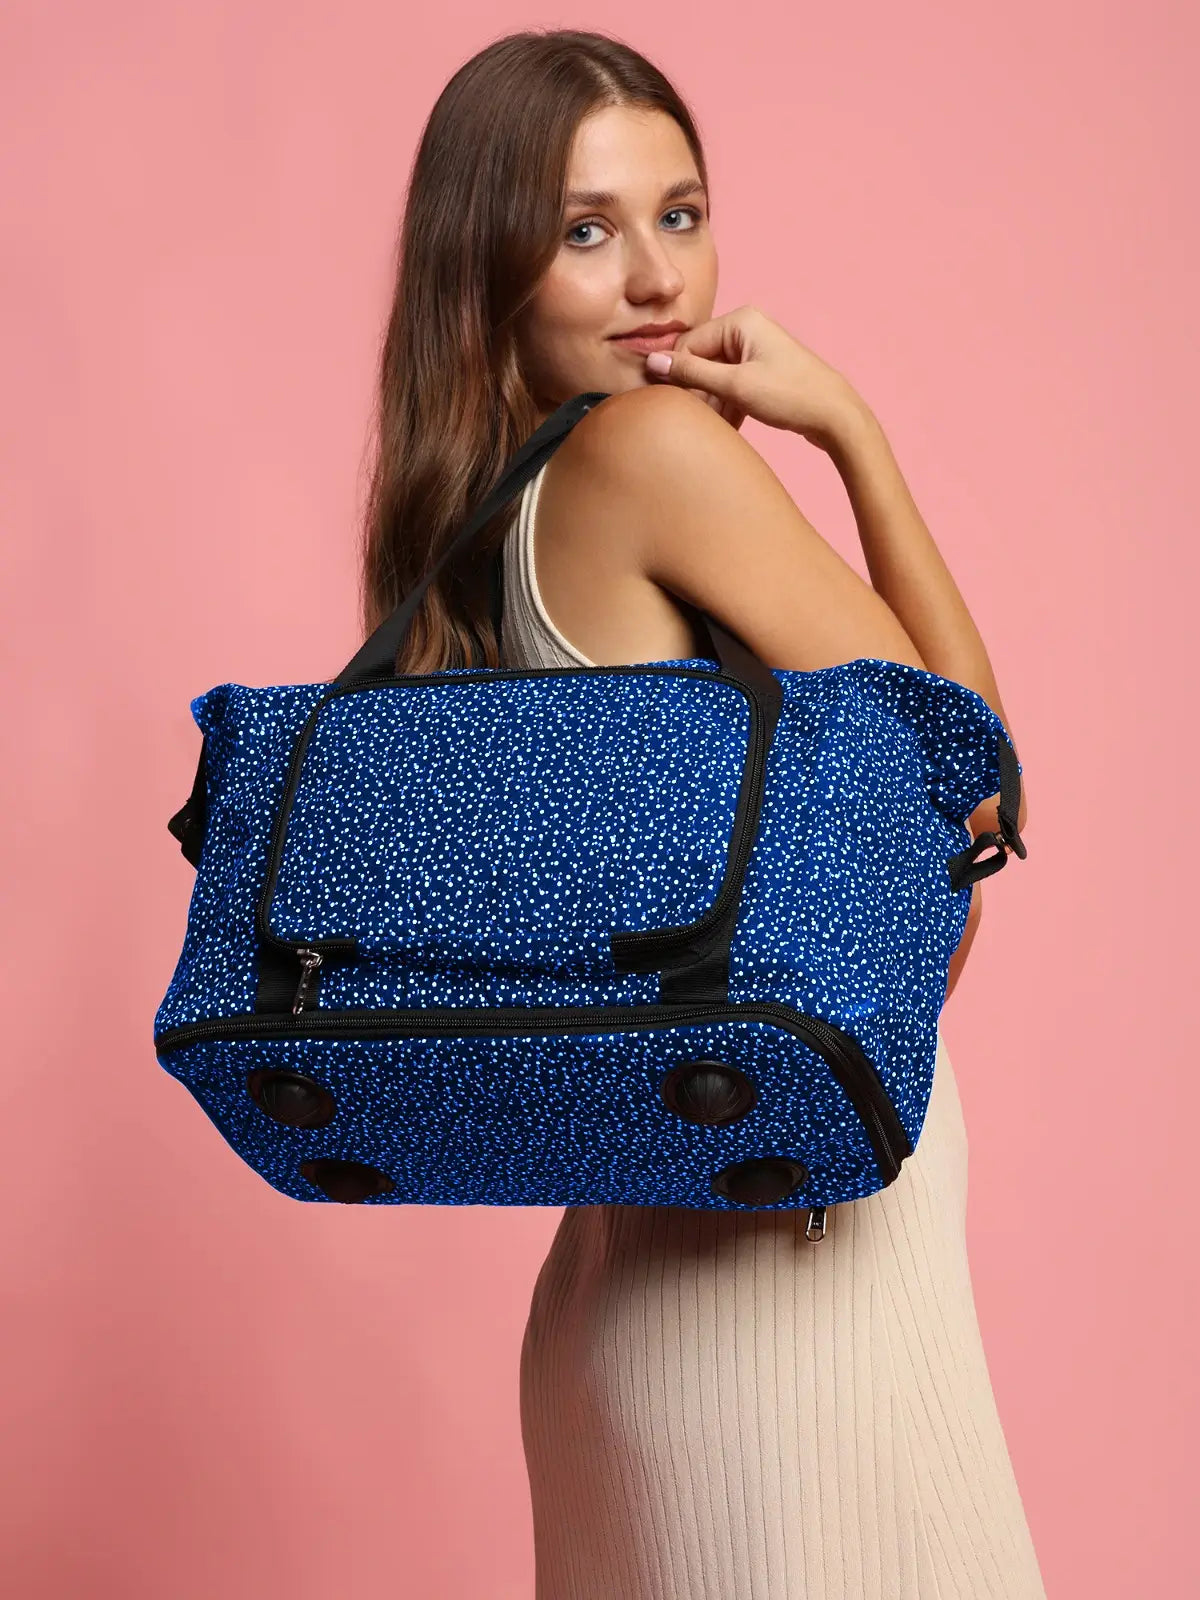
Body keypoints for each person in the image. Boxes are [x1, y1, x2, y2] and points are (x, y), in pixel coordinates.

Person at [359, 27, 1048, 1600]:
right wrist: (852, 433)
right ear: (495, 271)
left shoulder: (478, 532)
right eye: (588, 230)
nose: (658, 276)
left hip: (623, 1288)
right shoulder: (654, 452)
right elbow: (978, 775)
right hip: (781, 1282)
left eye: (681, 212)